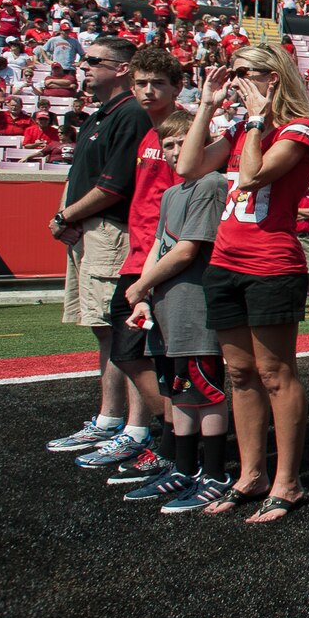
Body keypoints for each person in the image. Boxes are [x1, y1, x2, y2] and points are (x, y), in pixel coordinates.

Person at [176, 45, 309, 522]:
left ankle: (288, 481)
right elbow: (188, 168)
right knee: (239, 374)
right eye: (233, 73)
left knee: (276, 373)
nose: (235, 82)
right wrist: (206, 108)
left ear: (272, 77)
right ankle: (251, 473)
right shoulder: (240, 128)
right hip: (225, 261)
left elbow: (251, 175)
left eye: (245, 74)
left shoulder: (298, 127)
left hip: (271, 263)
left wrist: (258, 119)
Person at [72, 45, 185, 483]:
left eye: (158, 83)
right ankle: (169, 436)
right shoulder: (145, 132)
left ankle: (173, 442)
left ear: (176, 86)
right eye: (141, 83)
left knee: (160, 358)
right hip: (135, 255)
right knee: (131, 351)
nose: (148, 91)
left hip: (160, 261)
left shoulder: (182, 130)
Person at [43, 38, 154, 455]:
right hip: (91, 230)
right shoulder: (99, 115)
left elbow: (114, 185)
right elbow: (86, 179)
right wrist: (67, 217)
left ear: (122, 68)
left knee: (123, 332)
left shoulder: (129, 114)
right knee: (103, 331)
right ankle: (110, 419)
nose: (82, 66)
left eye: (93, 61)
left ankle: (135, 428)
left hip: (111, 232)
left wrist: (64, 217)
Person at [123, 113, 234, 511]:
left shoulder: (211, 183)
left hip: (194, 302)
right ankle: (185, 468)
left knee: (205, 389)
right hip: (165, 304)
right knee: (178, 389)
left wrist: (139, 285)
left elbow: (187, 249)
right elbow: (158, 247)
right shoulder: (172, 193)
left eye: (181, 143)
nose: (174, 153)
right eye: (167, 145)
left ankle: (216, 472)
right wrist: (143, 293)